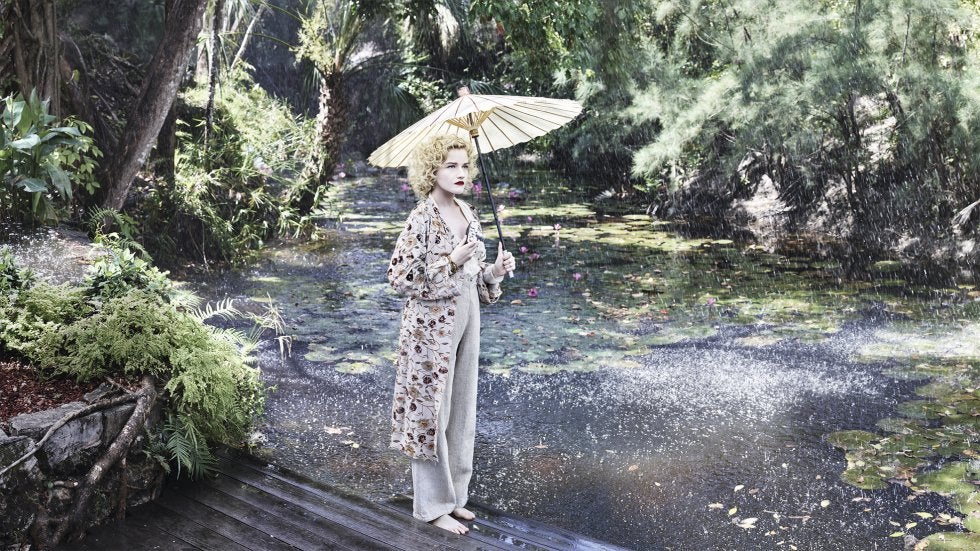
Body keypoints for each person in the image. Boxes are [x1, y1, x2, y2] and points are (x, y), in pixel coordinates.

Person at [387, 134, 516, 534]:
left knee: (462, 407)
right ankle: (431, 505)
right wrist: (449, 260)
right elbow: (399, 278)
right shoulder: (421, 218)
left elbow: (474, 280)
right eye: (450, 166)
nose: (460, 173)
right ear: (432, 170)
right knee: (431, 414)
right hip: (430, 327)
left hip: (467, 316)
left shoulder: (468, 212)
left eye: (464, 165)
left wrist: (494, 272)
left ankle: (456, 496)